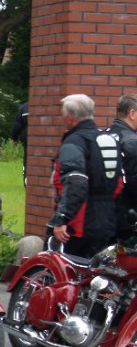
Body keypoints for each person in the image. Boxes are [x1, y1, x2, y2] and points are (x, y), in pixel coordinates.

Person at [48, 94, 122, 257]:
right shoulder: (108, 140)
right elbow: (118, 184)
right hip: (106, 222)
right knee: (95, 276)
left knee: (59, 272)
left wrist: (62, 219)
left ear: (69, 117)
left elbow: (76, 183)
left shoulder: (73, 143)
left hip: (76, 227)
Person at [108, 94, 137, 241]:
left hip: (103, 213)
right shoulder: (132, 141)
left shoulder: (104, 136)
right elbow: (134, 183)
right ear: (132, 113)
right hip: (127, 216)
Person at [12, 101, 29, 185]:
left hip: (27, 139)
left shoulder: (24, 107)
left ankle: (26, 178)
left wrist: (14, 138)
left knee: (26, 160)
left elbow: (18, 125)